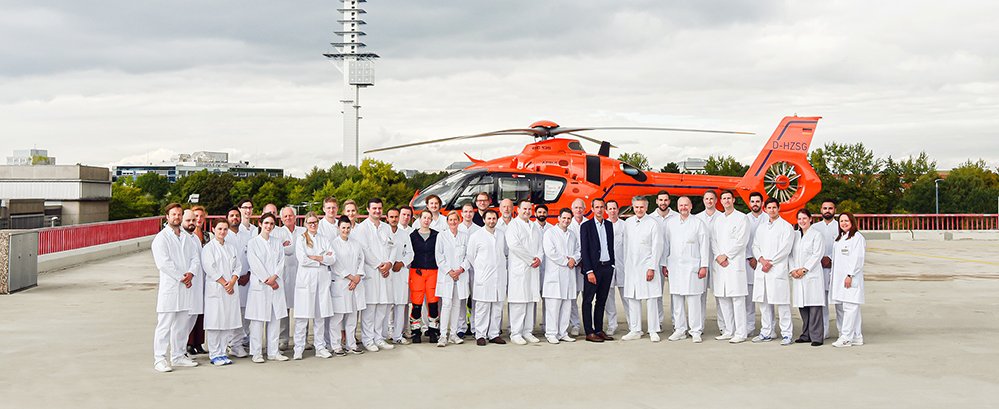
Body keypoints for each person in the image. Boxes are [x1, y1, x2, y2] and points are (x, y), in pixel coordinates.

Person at [151, 203, 199, 372]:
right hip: (171, 288)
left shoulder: (186, 237)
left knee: (181, 325)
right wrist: (182, 277)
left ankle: (178, 356)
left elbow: (195, 258)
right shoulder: (161, 238)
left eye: (179, 214)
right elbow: (163, 263)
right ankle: (160, 359)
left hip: (185, 287)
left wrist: (191, 273)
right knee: (164, 325)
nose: (177, 217)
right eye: (174, 214)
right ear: (167, 216)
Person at [664, 197, 710, 343]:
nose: (683, 207)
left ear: (691, 206)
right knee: (677, 299)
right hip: (675, 267)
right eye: (681, 205)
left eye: (686, 205)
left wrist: (704, 265)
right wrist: (664, 264)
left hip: (693, 268)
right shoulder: (671, 223)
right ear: (677, 207)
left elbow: (704, 246)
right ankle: (679, 329)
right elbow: (666, 245)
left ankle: (696, 331)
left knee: (694, 300)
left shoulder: (698, 223)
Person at [245, 212, 289, 363]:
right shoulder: (253, 243)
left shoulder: (277, 242)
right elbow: (255, 264)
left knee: (275, 320)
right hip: (261, 286)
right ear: (260, 224)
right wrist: (268, 280)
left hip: (276, 285)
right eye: (266, 223)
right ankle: (256, 353)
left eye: (271, 224)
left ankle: (273, 351)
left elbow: (281, 262)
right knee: (257, 321)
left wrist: (275, 277)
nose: (269, 226)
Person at [353, 198, 396, 352]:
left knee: (383, 307)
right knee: (370, 308)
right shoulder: (362, 229)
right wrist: (379, 265)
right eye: (374, 208)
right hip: (372, 272)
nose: (377, 211)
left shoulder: (386, 227)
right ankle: (368, 339)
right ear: (368, 209)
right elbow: (364, 250)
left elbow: (393, 247)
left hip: (386, 273)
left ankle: (379, 337)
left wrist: (389, 263)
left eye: (379, 208)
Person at [620, 196, 665, 342]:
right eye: (636, 207)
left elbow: (657, 246)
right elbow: (626, 245)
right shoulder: (628, 223)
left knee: (651, 299)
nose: (639, 210)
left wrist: (652, 267)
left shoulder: (653, 223)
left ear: (646, 208)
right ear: (633, 207)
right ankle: (635, 329)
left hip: (647, 266)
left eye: (642, 207)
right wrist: (626, 266)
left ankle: (653, 330)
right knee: (633, 298)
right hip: (632, 267)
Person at [292, 212, 336, 359]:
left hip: (322, 280)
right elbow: (302, 260)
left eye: (315, 222)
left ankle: (320, 347)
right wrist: (322, 259)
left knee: (320, 316)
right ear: (305, 224)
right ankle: (298, 348)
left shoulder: (324, 239)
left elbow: (333, 258)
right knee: (302, 317)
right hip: (306, 281)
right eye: (310, 223)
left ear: (318, 223)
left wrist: (317, 257)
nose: (312, 225)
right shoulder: (300, 239)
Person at [751, 198, 795, 345]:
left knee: (782, 304)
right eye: (769, 208)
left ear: (778, 208)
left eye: (774, 207)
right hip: (762, 268)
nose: (772, 210)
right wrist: (762, 260)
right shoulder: (762, 227)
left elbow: (786, 248)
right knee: (764, 303)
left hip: (777, 269)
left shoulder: (786, 227)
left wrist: (771, 262)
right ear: (765, 209)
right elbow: (755, 246)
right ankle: (767, 331)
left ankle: (787, 334)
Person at [201, 219, 244, 366]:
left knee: (227, 322)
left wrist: (232, 281)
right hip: (217, 289)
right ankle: (214, 354)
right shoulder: (209, 248)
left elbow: (238, 266)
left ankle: (223, 352)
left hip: (230, 288)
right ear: (213, 229)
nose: (222, 232)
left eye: (225, 229)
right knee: (215, 322)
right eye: (219, 229)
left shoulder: (231, 247)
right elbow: (209, 267)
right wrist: (224, 283)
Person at [710, 190, 750, 344]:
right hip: (720, 264)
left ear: (733, 200)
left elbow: (741, 241)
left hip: (734, 263)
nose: (726, 201)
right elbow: (713, 240)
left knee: (737, 299)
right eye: (724, 198)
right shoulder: (718, 219)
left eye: (729, 198)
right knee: (723, 298)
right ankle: (729, 330)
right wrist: (718, 256)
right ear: (721, 201)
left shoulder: (741, 218)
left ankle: (741, 332)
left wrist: (726, 255)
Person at [466, 210, 508, 346]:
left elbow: (505, 253)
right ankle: (480, 334)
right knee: (482, 308)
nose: (491, 221)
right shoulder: (476, 236)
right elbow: (471, 256)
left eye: (494, 218)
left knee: (497, 307)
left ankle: (494, 334)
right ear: (484, 220)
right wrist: (482, 269)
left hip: (499, 277)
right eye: (489, 218)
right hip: (483, 277)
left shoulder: (501, 234)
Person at [505, 200, 544, 345]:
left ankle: (528, 331)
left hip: (533, 268)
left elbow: (540, 245)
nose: (527, 211)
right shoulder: (513, 226)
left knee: (530, 302)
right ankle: (516, 333)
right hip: (520, 269)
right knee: (519, 303)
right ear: (518, 209)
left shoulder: (534, 226)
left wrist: (539, 258)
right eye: (524, 209)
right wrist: (530, 259)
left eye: (529, 209)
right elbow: (514, 246)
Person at [329, 216, 368, 355]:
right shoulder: (333, 244)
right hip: (341, 283)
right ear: (338, 228)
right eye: (343, 228)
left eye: (348, 227)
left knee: (352, 316)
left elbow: (361, 260)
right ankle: (336, 345)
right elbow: (335, 264)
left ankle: (351, 344)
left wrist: (357, 276)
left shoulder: (356, 243)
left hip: (355, 284)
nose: (346, 230)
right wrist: (351, 277)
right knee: (338, 317)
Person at [579, 198, 615, 343]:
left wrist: (611, 265)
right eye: (597, 207)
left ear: (604, 209)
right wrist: (589, 271)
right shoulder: (586, 226)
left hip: (607, 268)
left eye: (602, 207)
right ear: (592, 209)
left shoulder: (608, 225)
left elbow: (610, 246)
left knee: (601, 300)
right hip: (593, 269)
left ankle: (599, 330)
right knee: (588, 300)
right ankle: (589, 331)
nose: (599, 210)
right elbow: (584, 250)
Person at [542, 208, 580, 344]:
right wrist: (566, 261)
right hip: (555, 275)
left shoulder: (572, 234)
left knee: (566, 305)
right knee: (553, 306)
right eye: (564, 218)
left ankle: (563, 332)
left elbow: (578, 250)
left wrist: (574, 259)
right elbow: (550, 252)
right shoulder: (550, 233)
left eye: (569, 218)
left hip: (569, 275)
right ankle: (551, 333)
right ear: (558, 218)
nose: (566, 221)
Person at [789, 208, 826, 347]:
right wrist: (793, 269)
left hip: (811, 274)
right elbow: (791, 255)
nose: (802, 221)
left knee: (814, 306)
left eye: (805, 218)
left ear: (810, 219)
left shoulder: (817, 235)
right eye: (799, 219)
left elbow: (817, 255)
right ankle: (806, 335)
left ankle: (816, 336)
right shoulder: (795, 236)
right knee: (803, 306)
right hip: (798, 276)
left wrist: (804, 269)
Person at [434, 212, 471, 347]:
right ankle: (443, 335)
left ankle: (454, 334)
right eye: (451, 220)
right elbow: (439, 256)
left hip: (460, 275)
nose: (453, 222)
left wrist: (461, 269)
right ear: (447, 221)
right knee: (446, 305)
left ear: (459, 221)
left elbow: (469, 256)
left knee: (457, 305)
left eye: (456, 220)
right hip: (447, 276)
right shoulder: (441, 236)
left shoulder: (465, 236)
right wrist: (450, 271)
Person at [272, 206, 305, 351]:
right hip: (284, 275)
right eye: (285, 216)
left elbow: (301, 249)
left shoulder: (303, 231)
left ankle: (302, 339)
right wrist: (286, 248)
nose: (288, 218)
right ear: (281, 218)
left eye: (290, 216)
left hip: (301, 274)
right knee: (283, 309)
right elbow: (277, 251)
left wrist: (287, 248)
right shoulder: (277, 232)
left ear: (295, 217)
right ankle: (283, 339)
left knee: (303, 307)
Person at [831, 212, 866, 348]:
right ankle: (857, 336)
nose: (844, 223)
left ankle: (846, 337)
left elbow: (858, 259)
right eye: (841, 221)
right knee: (850, 308)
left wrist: (850, 275)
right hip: (840, 278)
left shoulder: (857, 238)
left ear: (852, 222)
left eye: (846, 221)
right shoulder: (841, 238)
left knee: (850, 307)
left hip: (850, 278)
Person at [409, 211, 442, 344]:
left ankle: (433, 330)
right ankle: (416, 331)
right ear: (420, 219)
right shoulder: (412, 236)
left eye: (429, 218)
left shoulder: (437, 235)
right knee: (416, 304)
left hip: (433, 271)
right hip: (417, 272)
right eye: (424, 218)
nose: (426, 220)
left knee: (433, 303)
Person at [695, 190, 724, 336]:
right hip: (701, 262)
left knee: (720, 295)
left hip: (718, 261)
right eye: (707, 199)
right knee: (700, 295)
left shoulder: (722, 217)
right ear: (703, 200)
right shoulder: (697, 218)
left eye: (712, 198)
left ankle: (724, 327)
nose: (709, 201)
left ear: (716, 200)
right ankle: (698, 327)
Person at [647, 190, 676, 331]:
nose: (663, 202)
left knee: (676, 293)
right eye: (660, 200)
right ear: (657, 201)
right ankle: (657, 322)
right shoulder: (650, 218)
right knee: (656, 292)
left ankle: (677, 322)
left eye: (666, 200)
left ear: (669, 201)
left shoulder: (676, 217)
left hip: (674, 260)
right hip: (655, 260)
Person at [178, 210, 205, 359]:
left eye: (193, 220)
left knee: (192, 318)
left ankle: (182, 351)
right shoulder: (180, 237)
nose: (191, 223)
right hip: (186, 284)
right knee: (182, 321)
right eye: (188, 220)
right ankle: (179, 351)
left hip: (197, 285)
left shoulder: (195, 238)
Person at [224, 208, 253, 349]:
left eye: (237, 215)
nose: (235, 218)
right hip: (230, 281)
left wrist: (248, 274)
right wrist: (234, 278)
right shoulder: (224, 235)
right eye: (231, 215)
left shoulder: (247, 235)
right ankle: (231, 342)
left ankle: (243, 338)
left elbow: (251, 256)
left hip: (246, 278)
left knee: (246, 311)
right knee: (231, 313)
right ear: (227, 218)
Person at [811, 199, 838, 339]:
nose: (827, 210)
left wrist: (832, 259)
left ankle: (844, 331)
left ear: (835, 210)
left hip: (836, 269)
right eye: (825, 208)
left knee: (839, 303)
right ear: (821, 210)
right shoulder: (815, 228)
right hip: (819, 268)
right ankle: (824, 332)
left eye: (830, 208)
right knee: (822, 302)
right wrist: (820, 258)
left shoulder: (841, 226)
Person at [386, 207, 413, 345]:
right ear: (387, 218)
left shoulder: (404, 234)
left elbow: (410, 253)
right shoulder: (383, 233)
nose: (394, 219)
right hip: (385, 273)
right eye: (391, 217)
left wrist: (401, 263)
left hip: (400, 272)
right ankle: (386, 332)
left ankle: (398, 335)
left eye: (396, 217)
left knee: (401, 304)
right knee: (386, 305)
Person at [743, 192, 765, 336]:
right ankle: (749, 327)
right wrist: (750, 257)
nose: (755, 204)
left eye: (758, 201)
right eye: (753, 201)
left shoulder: (769, 218)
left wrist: (761, 259)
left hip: (765, 263)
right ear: (749, 203)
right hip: (748, 263)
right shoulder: (744, 219)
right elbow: (741, 241)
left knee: (766, 299)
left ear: (762, 203)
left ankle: (767, 327)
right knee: (749, 299)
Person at [604, 200, 627, 336]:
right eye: (610, 209)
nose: (612, 211)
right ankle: (612, 325)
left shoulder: (625, 225)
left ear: (618, 209)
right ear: (606, 211)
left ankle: (633, 324)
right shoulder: (603, 225)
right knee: (609, 298)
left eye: (614, 208)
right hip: (608, 266)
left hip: (623, 265)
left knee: (627, 297)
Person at [458, 202, 480, 337]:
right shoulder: (457, 228)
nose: (468, 214)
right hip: (460, 269)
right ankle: (460, 327)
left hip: (475, 269)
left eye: (470, 212)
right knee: (461, 298)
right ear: (462, 213)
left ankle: (475, 326)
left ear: (474, 213)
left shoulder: (478, 230)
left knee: (476, 298)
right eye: (465, 211)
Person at [567, 198, 588, 336]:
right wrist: (575, 259)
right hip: (572, 266)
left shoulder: (589, 223)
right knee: (572, 298)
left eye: (581, 207)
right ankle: (575, 324)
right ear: (572, 209)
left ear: (585, 209)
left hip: (587, 267)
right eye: (576, 207)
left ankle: (589, 324)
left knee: (587, 297)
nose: (578, 210)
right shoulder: (567, 224)